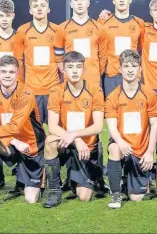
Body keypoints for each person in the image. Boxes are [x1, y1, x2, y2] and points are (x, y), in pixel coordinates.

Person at [0, 55, 46, 208]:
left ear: (18, 74)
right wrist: (14, 141)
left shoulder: (26, 93)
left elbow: (14, 126)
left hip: (31, 148)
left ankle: (33, 178)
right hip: (12, 145)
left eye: (11, 72)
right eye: (3, 71)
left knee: (30, 199)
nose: (7, 75)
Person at [43, 51, 105, 208]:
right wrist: (75, 139)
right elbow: (52, 126)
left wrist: (76, 136)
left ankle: (85, 178)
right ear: (63, 69)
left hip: (87, 147)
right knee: (50, 140)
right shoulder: (56, 92)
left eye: (78, 67)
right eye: (70, 67)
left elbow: (98, 127)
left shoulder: (95, 90)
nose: (75, 71)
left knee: (84, 197)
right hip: (67, 143)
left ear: (84, 69)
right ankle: (54, 191)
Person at [105, 49, 157, 209]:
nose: (130, 69)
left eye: (134, 66)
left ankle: (127, 179)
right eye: (126, 66)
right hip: (122, 145)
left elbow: (155, 124)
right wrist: (120, 142)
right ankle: (115, 194)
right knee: (114, 148)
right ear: (120, 69)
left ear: (140, 69)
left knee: (136, 198)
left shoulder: (149, 94)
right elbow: (111, 126)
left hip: (141, 149)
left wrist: (150, 152)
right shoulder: (113, 96)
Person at [13, 0, 60, 125]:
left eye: (42, 6)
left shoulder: (57, 30)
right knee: (35, 133)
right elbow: (18, 61)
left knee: (55, 132)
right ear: (30, 11)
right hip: (31, 89)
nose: (39, 8)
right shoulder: (22, 31)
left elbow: (61, 61)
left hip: (53, 88)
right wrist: (21, 86)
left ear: (48, 9)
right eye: (35, 6)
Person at [96, 0, 145, 98]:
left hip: (132, 76)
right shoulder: (103, 22)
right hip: (111, 77)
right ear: (113, 0)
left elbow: (142, 50)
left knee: (131, 114)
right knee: (111, 114)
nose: (121, 0)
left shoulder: (139, 23)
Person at [55, 0, 107, 88]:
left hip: (93, 82)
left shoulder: (99, 28)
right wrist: (67, 73)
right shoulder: (62, 28)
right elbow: (58, 56)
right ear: (70, 4)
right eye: (76, 0)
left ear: (88, 3)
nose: (79, 3)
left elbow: (103, 57)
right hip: (71, 83)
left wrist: (94, 73)